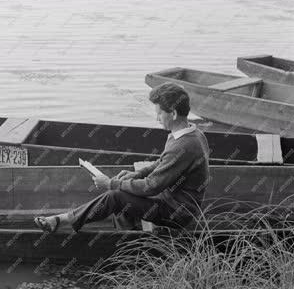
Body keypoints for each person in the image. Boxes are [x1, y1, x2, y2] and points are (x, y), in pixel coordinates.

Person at [34, 83, 210, 232]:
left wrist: (110, 183)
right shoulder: (190, 133)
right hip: (168, 200)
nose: (156, 118)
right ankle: (126, 239)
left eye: (159, 114)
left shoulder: (184, 145)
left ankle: (61, 220)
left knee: (115, 196)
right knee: (123, 193)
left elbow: (151, 187)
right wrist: (136, 175)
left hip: (177, 212)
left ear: (172, 113)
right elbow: (162, 162)